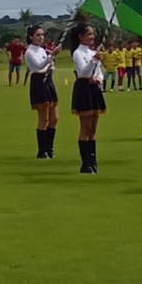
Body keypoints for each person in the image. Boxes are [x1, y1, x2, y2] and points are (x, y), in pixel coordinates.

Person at [67, 23, 106, 174]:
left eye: (93, 34)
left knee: (94, 128)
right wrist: (94, 60)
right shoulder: (78, 53)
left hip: (94, 88)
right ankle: (86, 163)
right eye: (89, 34)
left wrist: (98, 79)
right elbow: (83, 71)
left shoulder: (92, 52)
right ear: (81, 36)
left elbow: (99, 71)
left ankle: (93, 161)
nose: (92, 36)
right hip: (83, 88)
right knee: (85, 127)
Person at [24, 25, 59, 158]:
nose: (41, 37)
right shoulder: (29, 52)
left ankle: (50, 148)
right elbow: (38, 65)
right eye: (38, 35)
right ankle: (42, 150)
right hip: (39, 82)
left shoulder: (42, 51)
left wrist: (51, 67)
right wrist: (51, 55)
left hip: (48, 81)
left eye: (42, 35)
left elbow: (48, 64)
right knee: (43, 119)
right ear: (31, 37)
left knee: (54, 118)